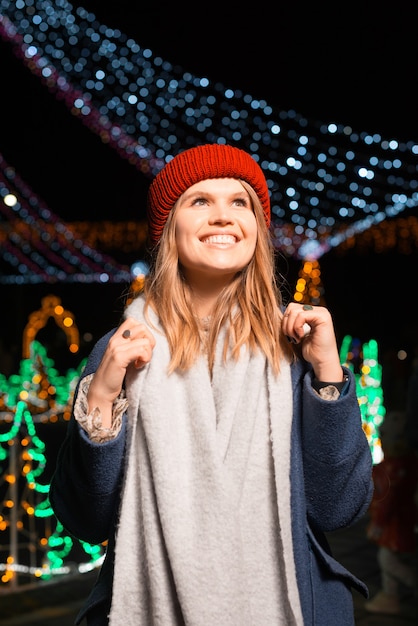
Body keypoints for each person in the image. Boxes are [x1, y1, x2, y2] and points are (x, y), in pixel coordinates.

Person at [50, 143, 374, 626]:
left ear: (257, 232)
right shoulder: (122, 349)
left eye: (239, 202)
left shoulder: (298, 346)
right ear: (167, 229)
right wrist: (100, 399)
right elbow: (85, 520)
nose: (223, 216)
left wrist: (327, 373)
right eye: (199, 201)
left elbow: (338, 507)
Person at [365, 409, 418, 615]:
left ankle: (410, 581)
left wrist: (378, 523)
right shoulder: (399, 465)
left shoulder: (397, 468)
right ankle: (390, 595)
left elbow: (389, 500)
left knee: (388, 558)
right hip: (398, 519)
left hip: (395, 522)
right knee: (387, 556)